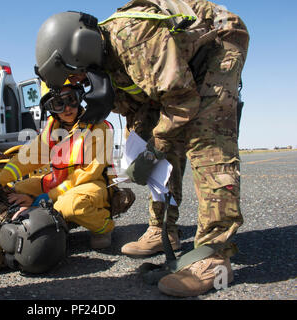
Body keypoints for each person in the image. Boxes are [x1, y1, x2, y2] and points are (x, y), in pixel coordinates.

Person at [33, 0, 249, 297]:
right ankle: (163, 231)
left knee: (206, 140)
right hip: (178, 74)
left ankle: (215, 256)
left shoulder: (134, 39)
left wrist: (151, 152)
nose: (78, 82)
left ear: (81, 50)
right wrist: (140, 150)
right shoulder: (105, 65)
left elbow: (181, 103)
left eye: (76, 74)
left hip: (218, 42)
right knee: (159, 145)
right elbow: (139, 113)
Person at [0, 82, 128, 250]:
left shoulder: (97, 127)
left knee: (71, 205)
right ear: (50, 108)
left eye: (71, 99)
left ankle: (103, 228)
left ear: (79, 98)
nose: (67, 108)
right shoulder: (53, 128)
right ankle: (55, 219)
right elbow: (29, 157)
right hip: (59, 182)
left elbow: (87, 174)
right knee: (18, 189)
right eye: (58, 103)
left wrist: (50, 197)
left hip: (92, 183)